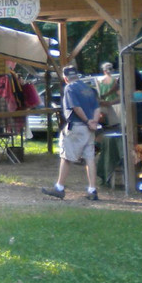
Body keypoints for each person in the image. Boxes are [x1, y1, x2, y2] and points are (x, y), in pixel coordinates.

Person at [42, 65, 102, 201]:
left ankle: (59, 187)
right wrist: (93, 122)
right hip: (90, 129)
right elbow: (97, 108)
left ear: (65, 78)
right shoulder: (89, 89)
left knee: (66, 157)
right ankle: (93, 190)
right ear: (77, 75)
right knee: (90, 158)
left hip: (77, 127)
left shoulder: (69, 88)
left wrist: (87, 121)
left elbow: (75, 107)